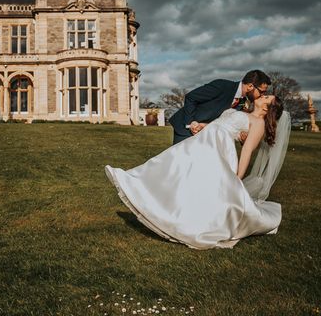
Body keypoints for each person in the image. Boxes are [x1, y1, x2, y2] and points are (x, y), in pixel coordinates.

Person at [105, 95, 290, 249]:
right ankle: (136, 183)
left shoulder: (258, 123)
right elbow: (219, 124)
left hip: (219, 149)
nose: (262, 95)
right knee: (172, 164)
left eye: (266, 97)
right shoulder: (243, 112)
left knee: (199, 185)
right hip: (202, 141)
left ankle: (188, 222)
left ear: (268, 107)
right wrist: (202, 126)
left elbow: (247, 151)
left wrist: (237, 178)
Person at [169, 70, 272, 145]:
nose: (262, 95)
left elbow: (226, 122)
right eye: (261, 91)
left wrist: (241, 136)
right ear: (250, 86)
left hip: (207, 134)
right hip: (185, 129)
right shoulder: (222, 86)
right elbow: (191, 97)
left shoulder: (242, 102)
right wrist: (190, 123)